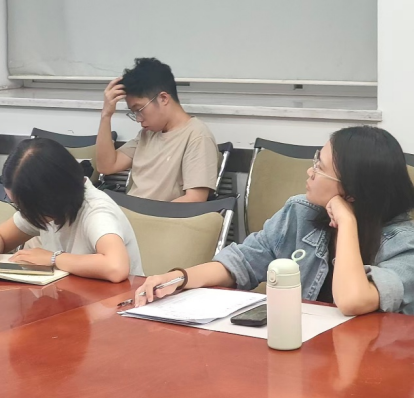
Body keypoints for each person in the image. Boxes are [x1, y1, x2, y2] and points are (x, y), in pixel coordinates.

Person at [135, 126, 414, 316]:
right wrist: (178, 278)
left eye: (320, 168)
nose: (310, 172)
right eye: (315, 161)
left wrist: (347, 223)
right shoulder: (300, 213)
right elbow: (242, 261)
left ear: (351, 192)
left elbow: (353, 300)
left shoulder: (405, 246)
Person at [0, 138, 143, 283]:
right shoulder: (49, 208)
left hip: (116, 300)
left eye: (24, 205)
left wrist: (53, 259)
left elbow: (116, 267)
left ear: (49, 197)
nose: (23, 212)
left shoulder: (96, 210)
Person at [95, 58, 219, 203]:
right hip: (131, 211)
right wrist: (106, 115)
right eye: (134, 112)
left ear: (163, 98)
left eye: (139, 109)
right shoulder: (147, 134)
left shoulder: (197, 136)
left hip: (158, 216)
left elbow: (195, 199)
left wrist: (145, 214)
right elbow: (106, 166)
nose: (138, 119)